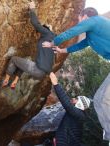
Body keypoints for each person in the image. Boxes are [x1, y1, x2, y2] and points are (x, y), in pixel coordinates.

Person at [42, 7, 110, 143]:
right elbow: (81, 45)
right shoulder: (91, 35)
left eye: (79, 18)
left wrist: (52, 43)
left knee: (103, 100)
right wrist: (62, 50)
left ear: (85, 16)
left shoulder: (94, 21)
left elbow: (72, 32)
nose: (79, 20)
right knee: (98, 100)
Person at [2, 1, 55, 89]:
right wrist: (50, 29)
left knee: (13, 59)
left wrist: (32, 8)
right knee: (25, 61)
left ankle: (6, 79)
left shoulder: (47, 33)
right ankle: (15, 81)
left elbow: (35, 23)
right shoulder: (54, 39)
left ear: (46, 29)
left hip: (37, 69)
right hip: (42, 73)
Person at [49, 72, 91, 146]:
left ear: (80, 104)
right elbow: (68, 102)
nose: (73, 98)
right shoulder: (78, 115)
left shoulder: (78, 114)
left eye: (77, 98)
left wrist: (55, 83)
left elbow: (66, 103)